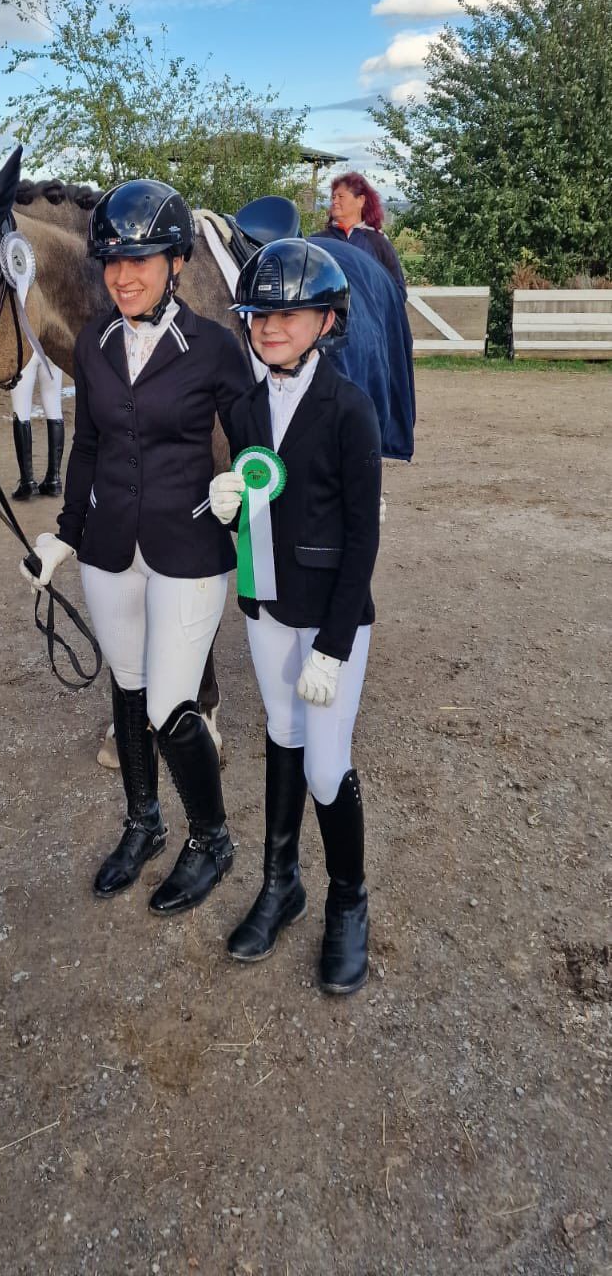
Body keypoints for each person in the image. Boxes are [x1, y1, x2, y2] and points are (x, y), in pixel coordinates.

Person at [20, 180, 252, 914]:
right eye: (113, 263)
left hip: (189, 547)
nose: (123, 277)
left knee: (173, 701)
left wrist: (243, 486)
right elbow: (87, 446)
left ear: (176, 262)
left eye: (140, 262)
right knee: (126, 688)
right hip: (111, 549)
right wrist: (65, 534)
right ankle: (144, 823)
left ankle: (211, 838)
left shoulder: (214, 346)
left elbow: (253, 444)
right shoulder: (94, 343)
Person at [209, 239, 381, 994]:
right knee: (282, 734)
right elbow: (259, 502)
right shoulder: (245, 407)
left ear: (325, 320)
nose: (269, 327)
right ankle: (282, 884)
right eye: (257, 314)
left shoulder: (350, 409)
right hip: (269, 603)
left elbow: (363, 536)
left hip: (332, 615)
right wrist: (227, 509)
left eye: (288, 314)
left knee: (325, 761)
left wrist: (334, 647)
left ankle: (348, 900)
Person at [321, 172, 407, 298]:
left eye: (341, 196)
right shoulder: (318, 242)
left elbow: (398, 291)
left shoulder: (378, 243)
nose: (335, 201)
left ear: (360, 200)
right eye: (333, 197)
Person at [9, 352, 66, 500]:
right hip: (50, 348)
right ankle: (54, 480)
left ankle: (27, 482)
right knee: (54, 408)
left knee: (21, 412)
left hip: (26, 348)